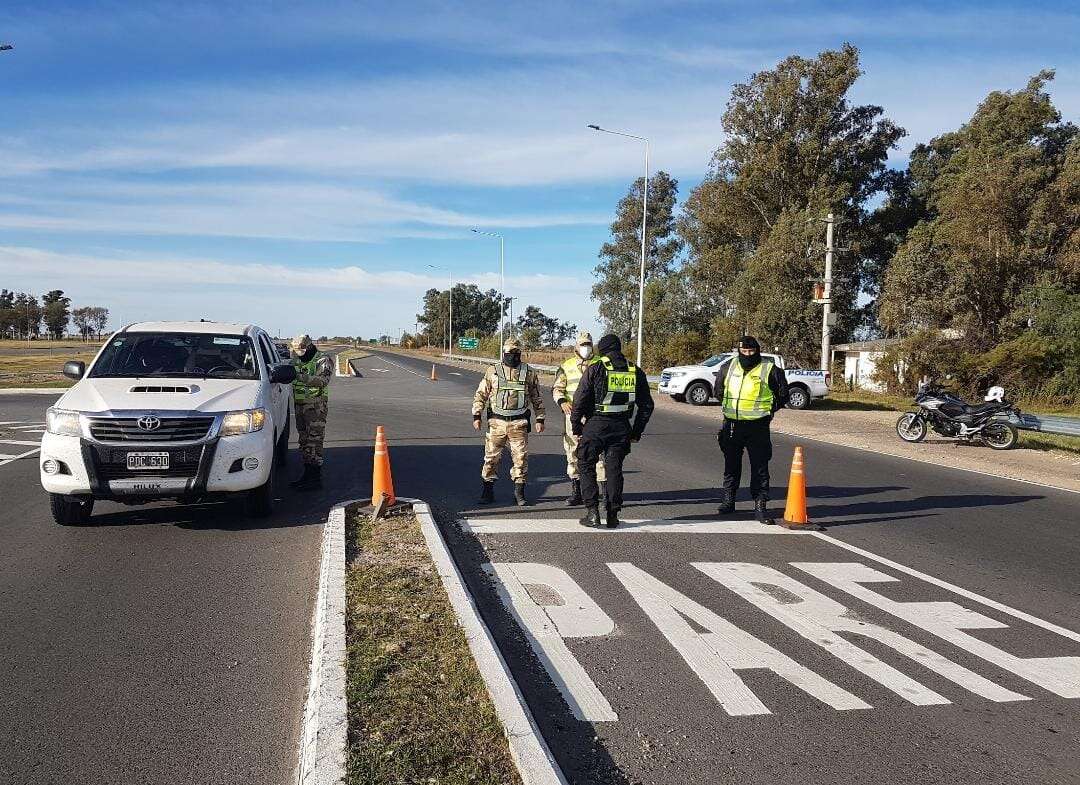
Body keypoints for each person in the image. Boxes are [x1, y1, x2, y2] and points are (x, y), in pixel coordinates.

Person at [571, 333, 654, 528]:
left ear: (602, 349)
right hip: (621, 426)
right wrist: (636, 432)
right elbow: (647, 406)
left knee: (586, 463)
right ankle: (613, 515)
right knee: (614, 468)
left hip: (596, 424)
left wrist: (577, 427)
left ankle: (592, 512)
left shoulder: (596, 368)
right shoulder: (635, 371)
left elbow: (579, 400)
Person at [713, 336, 789, 524]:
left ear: (757, 350)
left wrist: (770, 410)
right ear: (739, 351)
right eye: (744, 351)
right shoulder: (728, 367)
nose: (747, 355)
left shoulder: (770, 369)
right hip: (732, 424)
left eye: (751, 351)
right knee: (731, 465)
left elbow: (783, 394)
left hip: (758, 426)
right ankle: (729, 501)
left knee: (760, 467)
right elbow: (718, 391)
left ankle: (760, 506)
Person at [472, 337, 546, 507]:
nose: (512, 356)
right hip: (497, 422)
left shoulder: (529, 372)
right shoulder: (493, 371)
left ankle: (519, 493)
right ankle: (487, 491)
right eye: (509, 353)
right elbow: (481, 394)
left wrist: (540, 418)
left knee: (521, 459)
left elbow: (537, 397)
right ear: (503, 353)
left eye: (516, 352)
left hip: (519, 423)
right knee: (491, 458)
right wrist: (477, 415)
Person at [552, 331, 605, 506]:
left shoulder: (602, 363)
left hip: (595, 416)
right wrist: (562, 402)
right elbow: (557, 389)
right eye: (582, 344)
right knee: (572, 452)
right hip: (573, 416)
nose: (585, 348)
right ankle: (577, 491)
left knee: (598, 453)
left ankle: (604, 492)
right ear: (576, 346)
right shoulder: (566, 366)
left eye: (588, 344)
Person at [290, 334, 332, 491]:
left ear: (309, 347)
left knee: (314, 441)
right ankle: (307, 475)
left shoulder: (323, 359)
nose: (299, 355)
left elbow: (323, 381)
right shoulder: (296, 358)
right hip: (299, 405)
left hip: (315, 407)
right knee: (304, 441)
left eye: (302, 352)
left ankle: (315, 479)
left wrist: (299, 376)